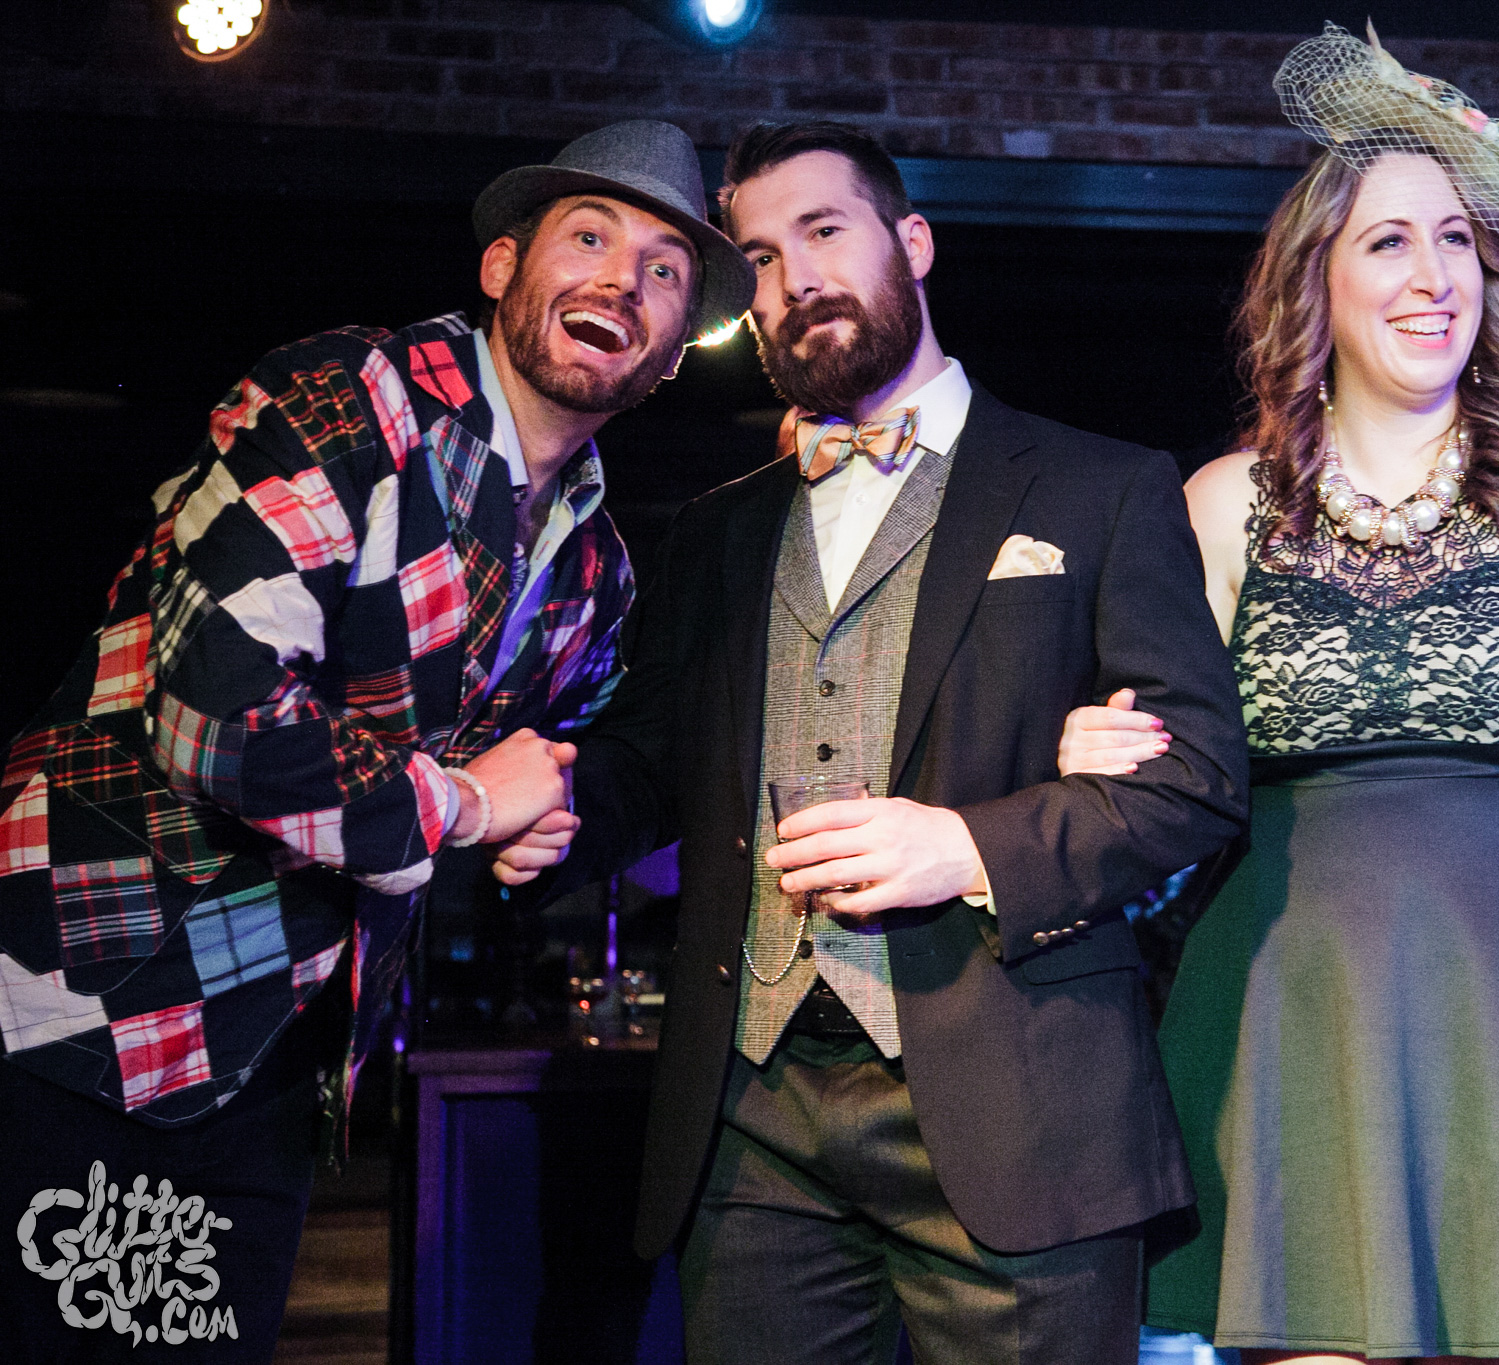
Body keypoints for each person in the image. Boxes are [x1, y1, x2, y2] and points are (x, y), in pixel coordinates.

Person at [493, 119, 1249, 1365]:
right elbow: (649, 764)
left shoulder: (1098, 489)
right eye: (759, 258)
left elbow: (1196, 778)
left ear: (913, 242)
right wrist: (551, 816)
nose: (795, 278)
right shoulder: (719, 530)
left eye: (823, 232)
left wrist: (966, 846)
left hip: (1019, 1104)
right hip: (755, 1116)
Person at [0, 120, 753, 1361]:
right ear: (501, 266)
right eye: (588, 237)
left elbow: (557, 766)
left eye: (664, 270)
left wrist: (541, 818)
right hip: (85, 1004)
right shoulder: (346, 401)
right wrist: (467, 805)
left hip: (273, 1059)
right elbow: (216, 715)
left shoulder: (593, 567)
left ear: (674, 355)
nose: (623, 279)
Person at [1060, 25, 1499, 1364]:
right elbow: (1164, 773)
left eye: (1458, 243)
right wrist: (1100, 742)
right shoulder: (1220, 507)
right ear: (1313, 278)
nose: (1434, 277)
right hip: (1288, 1019)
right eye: (1388, 242)